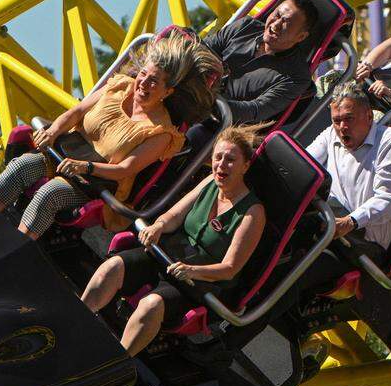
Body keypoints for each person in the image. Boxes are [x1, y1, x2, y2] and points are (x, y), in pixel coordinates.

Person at [0, 33, 220, 238]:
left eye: (153, 81)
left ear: (167, 92)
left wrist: (84, 167)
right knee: (21, 165)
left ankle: (14, 246)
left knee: (50, 193)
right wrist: (53, 131)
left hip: (95, 183)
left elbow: (125, 169)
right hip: (64, 154)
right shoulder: (119, 86)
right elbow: (77, 112)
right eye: (144, 75)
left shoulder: (162, 133)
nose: (143, 84)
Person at [81, 127, 266, 355]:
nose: (221, 165)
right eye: (218, 157)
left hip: (201, 282)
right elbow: (174, 216)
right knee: (113, 266)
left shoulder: (253, 213)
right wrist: (158, 226)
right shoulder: (210, 182)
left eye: (230, 160)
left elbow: (229, 269)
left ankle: (116, 363)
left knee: (151, 306)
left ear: (245, 166)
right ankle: (77, 323)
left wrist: (192, 271)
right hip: (169, 257)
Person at [296, 80, 391, 290]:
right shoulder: (332, 132)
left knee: (295, 270)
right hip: (327, 219)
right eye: (337, 120)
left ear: (368, 116)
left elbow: (389, 201)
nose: (342, 128)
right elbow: (303, 164)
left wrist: (350, 222)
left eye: (349, 119)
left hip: (361, 244)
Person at [183, 0, 320, 149]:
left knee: (193, 135)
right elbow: (204, 50)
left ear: (301, 37)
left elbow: (256, 110)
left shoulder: (296, 77)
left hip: (222, 126)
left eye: (286, 23)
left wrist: (211, 102)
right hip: (191, 95)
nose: (276, 24)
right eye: (277, 15)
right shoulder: (244, 27)